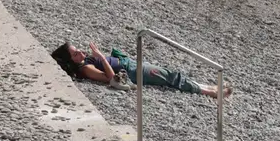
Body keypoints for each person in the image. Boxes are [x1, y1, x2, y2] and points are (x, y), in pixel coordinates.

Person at [51, 41, 233, 98]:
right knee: (169, 77)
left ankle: (207, 87)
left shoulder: (84, 63)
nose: (81, 52)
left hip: (130, 65)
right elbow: (111, 77)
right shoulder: (86, 68)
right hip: (131, 72)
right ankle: (209, 92)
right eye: (76, 53)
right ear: (72, 61)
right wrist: (99, 56)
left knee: (168, 74)